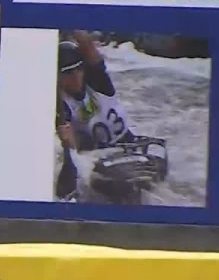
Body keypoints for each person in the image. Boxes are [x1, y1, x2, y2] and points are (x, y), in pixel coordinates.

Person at [54, 31, 168, 204]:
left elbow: (87, 45)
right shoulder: (61, 104)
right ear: (59, 78)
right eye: (69, 72)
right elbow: (72, 150)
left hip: (128, 143)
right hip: (99, 155)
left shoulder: (99, 83)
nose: (76, 75)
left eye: (79, 68)